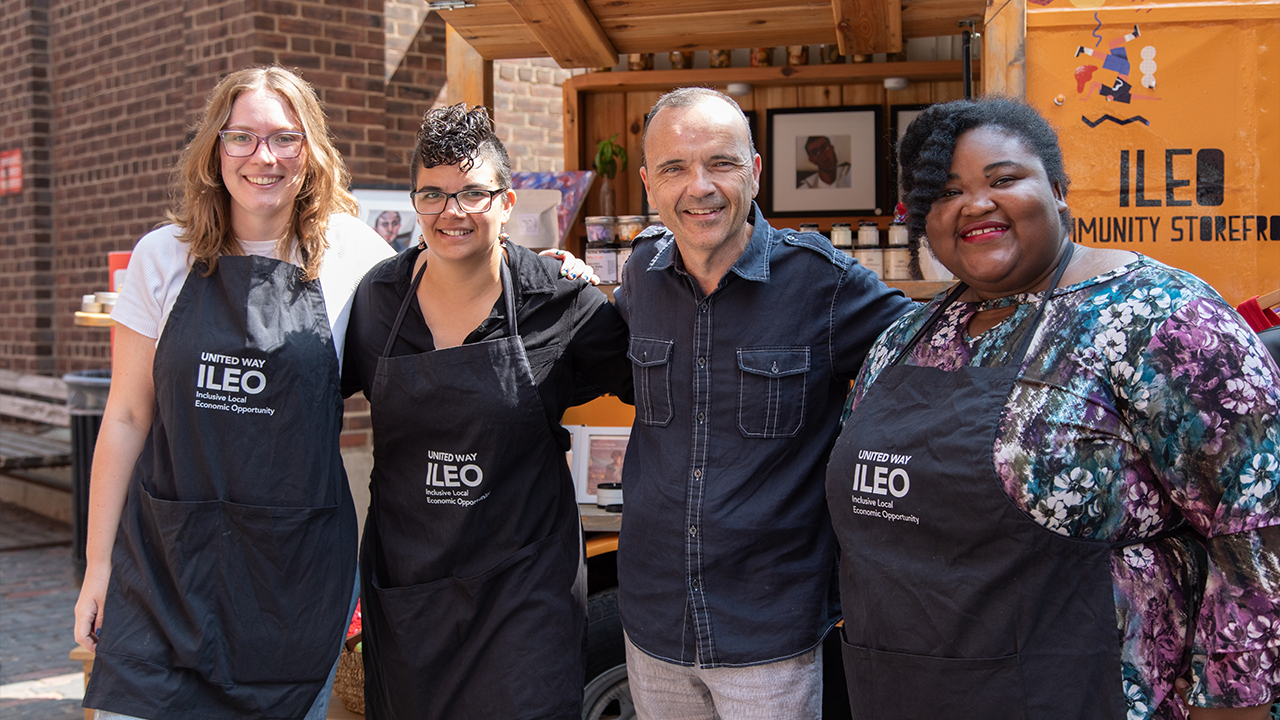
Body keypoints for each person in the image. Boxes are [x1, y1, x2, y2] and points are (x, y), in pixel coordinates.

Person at [826, 97, 1280, 719]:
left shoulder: (1162, 318)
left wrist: (1232, 706)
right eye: (947, 191)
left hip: (1086, 694)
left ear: (1060, 191)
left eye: (1004, 179)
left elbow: (1258, 528)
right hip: (907, 690)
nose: (975, 204)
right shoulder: (907, 336)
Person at [71, 66, 395, 720]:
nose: (263, 157)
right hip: (166, 572)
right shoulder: (160, 257)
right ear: (215, 150)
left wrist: (539, 269)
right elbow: (129, 415)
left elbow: (444, 318)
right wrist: (97, 565)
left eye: (285, 138)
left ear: (311, 151)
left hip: (292, 583)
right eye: (242, 137)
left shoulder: (357, 257)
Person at [613, 87, 914, 717]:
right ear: (648, 184)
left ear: (754, 172)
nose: (699, 187)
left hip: (769, 627)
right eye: (674, 168)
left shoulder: (822, 282)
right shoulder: (638, 275)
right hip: (654, 620)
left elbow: (934, 353)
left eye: (720, 163)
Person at [342, 103, 632, 719]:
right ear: (415, 202)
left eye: (473, 192)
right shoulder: (376, 301)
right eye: (435, 194)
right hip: (412, 590)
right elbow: (302, 402)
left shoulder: (561, 301)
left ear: (506, 203)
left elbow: (658, 387)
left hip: (524, 591)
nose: (453, 211)